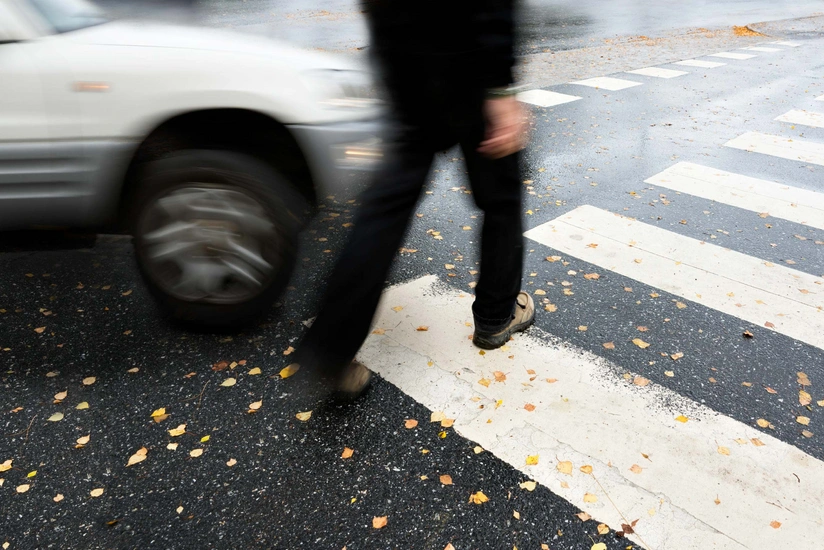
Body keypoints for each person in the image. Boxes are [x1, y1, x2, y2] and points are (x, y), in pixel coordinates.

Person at [293, 0, 534, 397]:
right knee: (501, 197)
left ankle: (330, 348)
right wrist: (500, 86)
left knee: (386, 206)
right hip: (467, 56)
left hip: (401, 54)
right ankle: (496, 316)